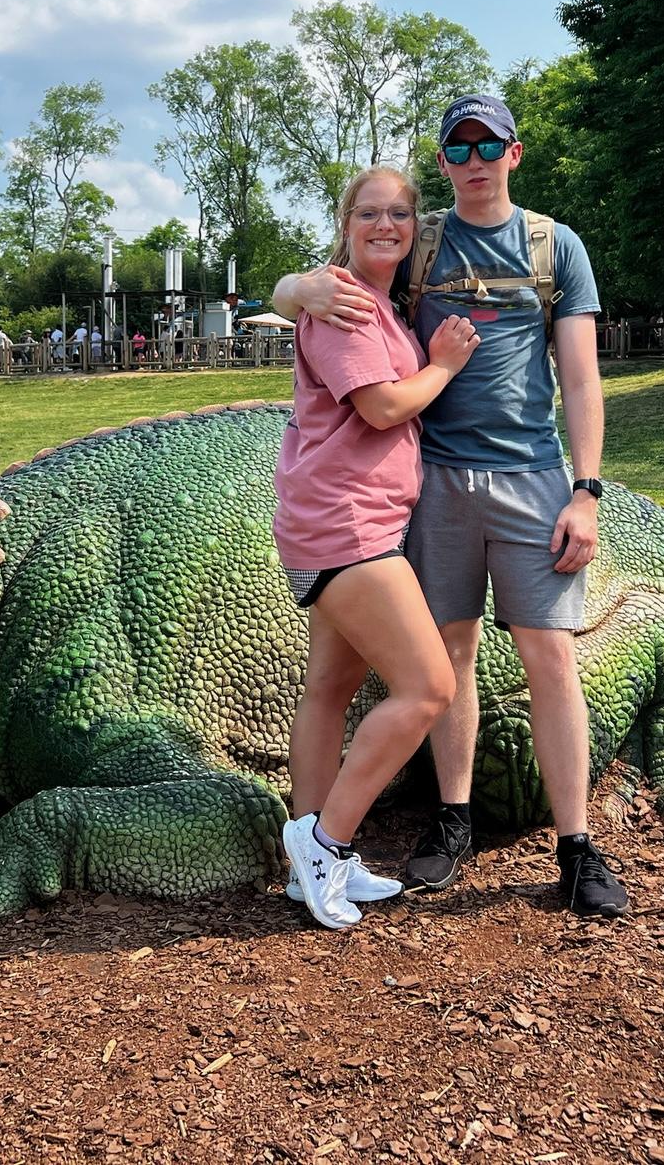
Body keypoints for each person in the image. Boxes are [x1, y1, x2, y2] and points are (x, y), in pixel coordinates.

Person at [275, 94, 628, 918]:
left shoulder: (555, 246)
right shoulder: (419, 237)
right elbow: (327, 287)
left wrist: (587, 488)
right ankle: (451, 819)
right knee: (448, 659)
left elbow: (578, 376)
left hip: (532, 477)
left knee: (551, 659)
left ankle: (575, 847)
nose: (474, 159)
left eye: (489, 144)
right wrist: (296, 284)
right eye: (458, 146)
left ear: (514, 151)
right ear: (444, 160)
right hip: (430, 484)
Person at [275, 167, 479, 930]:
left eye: (399, 213)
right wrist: (445, 366)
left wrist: (290, 287)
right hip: (344, 526)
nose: (385, 224)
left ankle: (307, 871)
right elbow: (383, 405)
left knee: (329, 687)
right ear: (346, 220)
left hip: (342, 519)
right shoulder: (344, 302)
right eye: (369, 213)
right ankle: (326, 842)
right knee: (429, 687)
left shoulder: (373, 304)